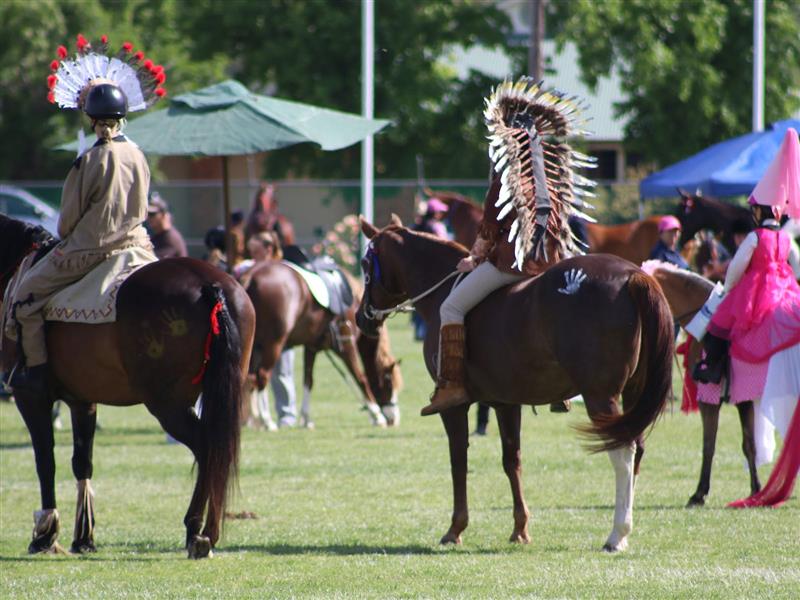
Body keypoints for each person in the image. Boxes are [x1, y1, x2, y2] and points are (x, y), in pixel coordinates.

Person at [421, 78, 594, 416]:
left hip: (509, 268)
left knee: (451, 309)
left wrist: (473, 258)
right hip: (551, 266)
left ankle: (453, 385)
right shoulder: (553, 177)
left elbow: (489, 228)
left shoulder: (506, 177)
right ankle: (561, 389)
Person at [10, 42, 166, 394]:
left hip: (89, 251)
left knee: (24, 298)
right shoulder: (139, 154)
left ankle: (36, 373)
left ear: (93, 119)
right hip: (138, 246)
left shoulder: (91, 159)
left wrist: (66, 237)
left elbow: (67, 222)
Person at [234, 231, 298, 429]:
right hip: (256, 333)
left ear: (269, 249)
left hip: (279, 333)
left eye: (256, 251)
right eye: (250, 251)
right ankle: (250, 415)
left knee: (282, 373)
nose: (252, 256)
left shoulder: (285, 270)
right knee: (251, 374)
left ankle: (286, 415)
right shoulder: (245, 269)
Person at [245, 182, 296, 248]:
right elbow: (264, 227)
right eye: (268, 195)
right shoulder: (256, 216)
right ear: (261, 197)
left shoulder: (277, 217)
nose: (271, 198)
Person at [146, 193, 188, 259]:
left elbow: (154, 261)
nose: (148, 217)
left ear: (164, 215)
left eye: (152, 214)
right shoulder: (157, 235)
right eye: (147, 214)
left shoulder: (170, 238)